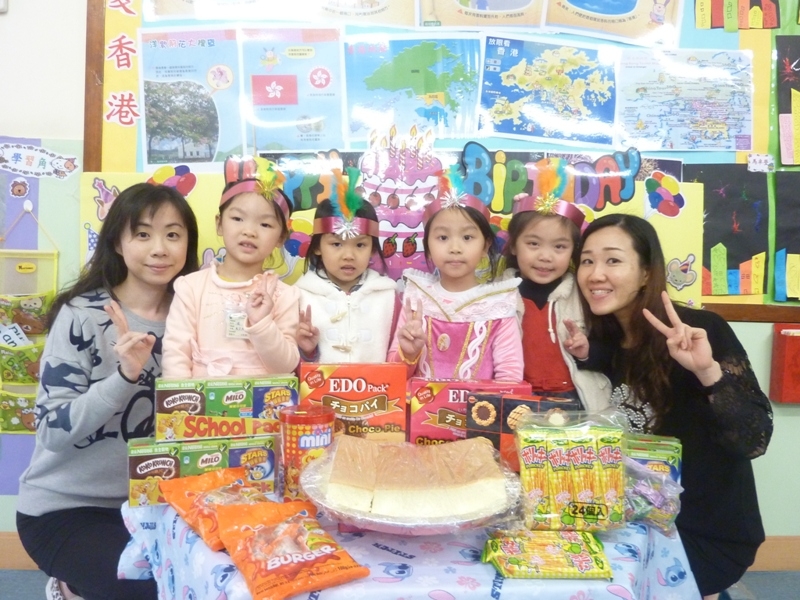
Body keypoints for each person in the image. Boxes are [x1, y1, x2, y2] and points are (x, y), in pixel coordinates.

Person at [569, 213, 773, 600]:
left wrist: (708, 371)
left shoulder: (698, 330)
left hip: (702, 530)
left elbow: (754, 439)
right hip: (637, 518)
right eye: (587, 261)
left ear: (646, 273)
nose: (595, 274)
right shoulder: (607, 339)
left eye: (613, 260)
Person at [16, 182, 199, 600]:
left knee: (207, 579)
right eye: (143, 234)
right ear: (118, 242)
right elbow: (51, 430)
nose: (159, 249)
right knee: (151, 589)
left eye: (173, 234)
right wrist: (123, 378)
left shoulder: (193, 318)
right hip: (67, 509)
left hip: (159, 504)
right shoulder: (81, 315)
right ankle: (69, 588)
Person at [162, 155, 300, 377]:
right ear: (219, 224)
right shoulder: (190, 288)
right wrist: (181, 398)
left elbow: (286, 366)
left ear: (281, 237)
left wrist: (262, 323)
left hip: (265, 398)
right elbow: (175, 356)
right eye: (237, 219)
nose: (249, 231)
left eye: (265, 224)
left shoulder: (285, 296)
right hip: (200, 398)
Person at [388, 166, 524, 381]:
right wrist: (409, 353)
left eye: (467, 237)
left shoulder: (498, 303)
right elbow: (394, 376)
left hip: (478, 404)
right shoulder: (416, 297)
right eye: (443, 238)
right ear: (428, 245)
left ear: (486, 245)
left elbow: (510, 376)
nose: (455, 248)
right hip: (418, 403)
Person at [503, 192, 610, 411]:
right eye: (533, 243)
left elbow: (612, 349)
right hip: (519, 397)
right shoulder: (497, 295)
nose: (546, 256)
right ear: (514, 245)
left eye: (559, 247)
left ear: (573, 251)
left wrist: (587, 351)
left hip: (575, 397)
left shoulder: (584, 294)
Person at [295, 168, 398, 363]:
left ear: (372, 249)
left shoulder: (389, 297)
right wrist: (307, 352)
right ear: (317, 247)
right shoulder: (299, 296)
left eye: (360, 245)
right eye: (336, 244)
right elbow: (289, 363)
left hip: (376, 384)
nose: (349, 256)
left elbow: (398, 361)